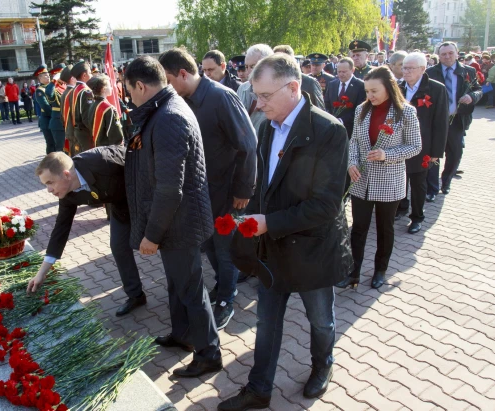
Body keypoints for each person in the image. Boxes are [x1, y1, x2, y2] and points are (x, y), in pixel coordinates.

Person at [218, 53, 351, 411]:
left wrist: (269, 223)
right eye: (256, 96)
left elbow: (326, 205)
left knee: (320, 320)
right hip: (272, 248)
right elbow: (266, 186)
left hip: (312, 249)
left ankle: (322, 365)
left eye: (264, 96)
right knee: (267, 321)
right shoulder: (265, 126)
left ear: (293, 88)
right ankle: (259, 388)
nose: (257, 105)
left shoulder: (329, 130)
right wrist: (251, 218)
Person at [124, 56, 222, 378]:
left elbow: (170, 190)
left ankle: (208, 352)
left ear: (141, 86)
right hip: (175, 222)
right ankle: (182, 335)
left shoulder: (167, 118)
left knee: (192, 289)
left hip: (178, 222)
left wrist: (151, 235)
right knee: (177, 284)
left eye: (130, 91)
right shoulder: (164, 109)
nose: (130, 98)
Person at [158, 47, 257, 330]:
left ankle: (227, 299)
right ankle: (223, 286)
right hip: (202, 192)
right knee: (209, 245)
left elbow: (248, 146)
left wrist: (243, 190)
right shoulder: (184, 100)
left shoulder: (221, 97)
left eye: (168, 79)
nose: (167, 86)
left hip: (228, 193)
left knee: (225, 249)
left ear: (183, 73)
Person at [27, 148, 146, 317]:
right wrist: (41, 274)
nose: (49, 190)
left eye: (50, 182)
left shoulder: (103, 161)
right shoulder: (66, 194)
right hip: (121, 207)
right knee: (118, 247)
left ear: (66, 174)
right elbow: (61, 229)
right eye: (45, 184)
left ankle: (179, 294)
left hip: (144, 199)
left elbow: (141, 167)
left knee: (162, 241)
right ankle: (136, 296)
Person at [339, 66, 421, 291]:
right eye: (367, 91)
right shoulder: (361, 110)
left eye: (374, 91)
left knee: (385, 229)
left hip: (389, 180)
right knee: (358, 228)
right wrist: (351, 163)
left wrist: (388, 155)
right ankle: (352, 271)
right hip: (362, 179)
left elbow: (415, 146)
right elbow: (354, 141)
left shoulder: (405, 112)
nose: (370, 96)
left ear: (389, 86)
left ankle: (380, 271)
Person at [395, 52, 449, 234]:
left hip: (423, 145)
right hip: (399, 144)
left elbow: (441, 123)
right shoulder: (397, 87)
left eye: (410, 68)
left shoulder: (436, 89)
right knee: (400, 179)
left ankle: (417, 217)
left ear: (422, 69)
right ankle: (401, 208)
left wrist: (436, 152)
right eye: (404, 67)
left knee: (418, 183)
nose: (406, 71)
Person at [426, 42, 482, 199]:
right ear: (439, 56)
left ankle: (446, 181)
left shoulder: (468, 71)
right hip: (435, 122)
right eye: (443, 54)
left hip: (457, 120)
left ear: (457, 54)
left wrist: (472, 96)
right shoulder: (430, 72)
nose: (447, 56)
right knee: (433, 154)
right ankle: (432, 189)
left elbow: (478, 90)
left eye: (450, 53)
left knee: (455, 153)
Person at [324, 57, 366, 139]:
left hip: (350, 131)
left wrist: (341, 120)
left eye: (344, 72)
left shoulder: (360, 85)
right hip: (332, 129)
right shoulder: (332, 84)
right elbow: (327, 103)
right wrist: (330, 118)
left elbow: (360, 109)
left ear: (352, 70)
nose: (341, 74)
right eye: (339, 71)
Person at [237, 44, 275, 134]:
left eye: (253, 66)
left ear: (269, 65)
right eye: (246, 67)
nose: (248, 71)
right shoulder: (242, 88)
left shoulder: (277, 91)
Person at [273, 45, 325, 110]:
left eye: (280, 61)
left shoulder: (309, 82)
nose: (277, 64)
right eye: (274, 60)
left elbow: (320, 110)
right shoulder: (271, 83)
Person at [85, 74, 125, 147]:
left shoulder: (93, 105)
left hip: (97, 147)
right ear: (103, 89)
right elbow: (116, 135)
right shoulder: (109, 109)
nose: (112, 88)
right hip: (108, 149)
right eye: (109, 85)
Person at [70, 61, 95, 154]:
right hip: (85, 132)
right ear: (84, 75)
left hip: (77, 130)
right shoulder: (86, 91)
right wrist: (95, 131)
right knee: (90, 159)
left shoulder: (74, 89)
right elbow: (86, 117)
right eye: (90, 73)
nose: (91, 75)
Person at [34, 65, 57, 154]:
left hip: (55, 118)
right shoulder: (40, 90)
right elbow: (46, 107)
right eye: (45, 75)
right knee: (51, 143)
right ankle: (49, 163)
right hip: (47, 119)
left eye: (48, 75)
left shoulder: (52, 87)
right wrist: (56, 114)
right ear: (40, 78)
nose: (48, 77)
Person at [45, 64, 67, 152]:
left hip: (66, 121)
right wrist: (53, 80)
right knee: (60, 148)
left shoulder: (65, 86)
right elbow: (49, 94)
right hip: (58, 123)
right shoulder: (54, 88)